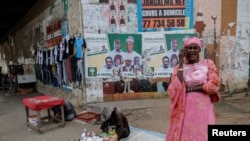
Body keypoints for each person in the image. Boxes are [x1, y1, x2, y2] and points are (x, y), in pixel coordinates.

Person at [165, 37, 220, 141]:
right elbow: (174, 88)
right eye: (189, 48)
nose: (192, 50)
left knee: (203, 133)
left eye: (195, 48)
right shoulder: (178, 67)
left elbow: (214, 84)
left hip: (203, 108)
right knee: (187, 133)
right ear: (185, 50)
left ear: (199, 49)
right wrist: (181, 62)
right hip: (185, 108)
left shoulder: (208, 64)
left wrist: (190, 89)